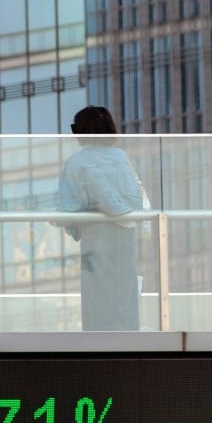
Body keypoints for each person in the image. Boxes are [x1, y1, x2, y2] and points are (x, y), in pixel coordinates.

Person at [57, 105, 144, 331]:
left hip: (96, 234)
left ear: (84, 130)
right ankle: (129, 336)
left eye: (75, 128)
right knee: (125, 289)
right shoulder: (121, 156)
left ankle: (98, 339)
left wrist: (65, 223)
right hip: (126, 232)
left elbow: (69, 204)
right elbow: (137, 190)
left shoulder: (77, 161)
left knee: (97, 291)